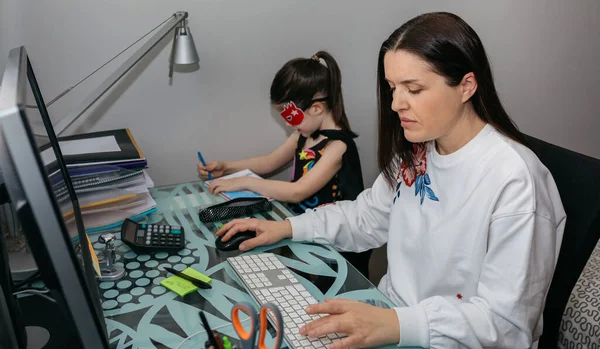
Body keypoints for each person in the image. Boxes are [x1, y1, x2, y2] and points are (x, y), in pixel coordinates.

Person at [215, 12, 566, 349]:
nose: (397, 103)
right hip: (392, 315)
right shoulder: (416, 152)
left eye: (413, 89)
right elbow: (365, 217)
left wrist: (397, 324)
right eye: (392, 87)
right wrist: (288, 228)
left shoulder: (516, 181)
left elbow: (506, 324)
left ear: (466, 86)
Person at [198, 51, 372, 278]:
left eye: (289, 116)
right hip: (303, 231)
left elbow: (297, 192)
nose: (287, 123)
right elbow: (269, 162)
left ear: (317, 108)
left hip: (335, 245)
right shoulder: (303, 135)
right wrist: (227, 167)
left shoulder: (337, 146)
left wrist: (246, 182)